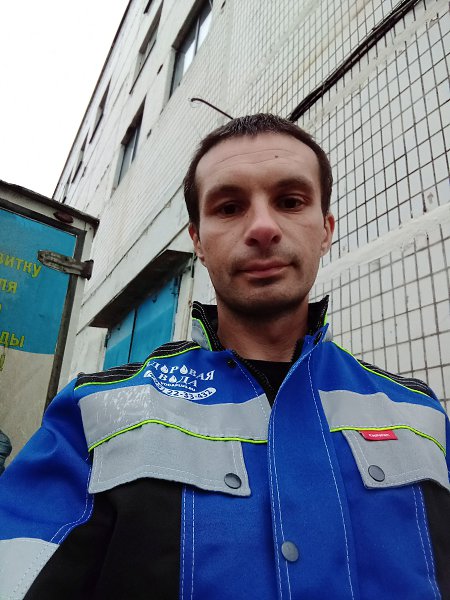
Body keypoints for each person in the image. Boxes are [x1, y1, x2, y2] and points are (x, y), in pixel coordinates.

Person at [0, 114, 449, 599]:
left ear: (325, 230)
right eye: (230, 207)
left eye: (290, 201)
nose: (262, 227)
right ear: (197, 241)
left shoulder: (422, 414)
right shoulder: (94, 415)